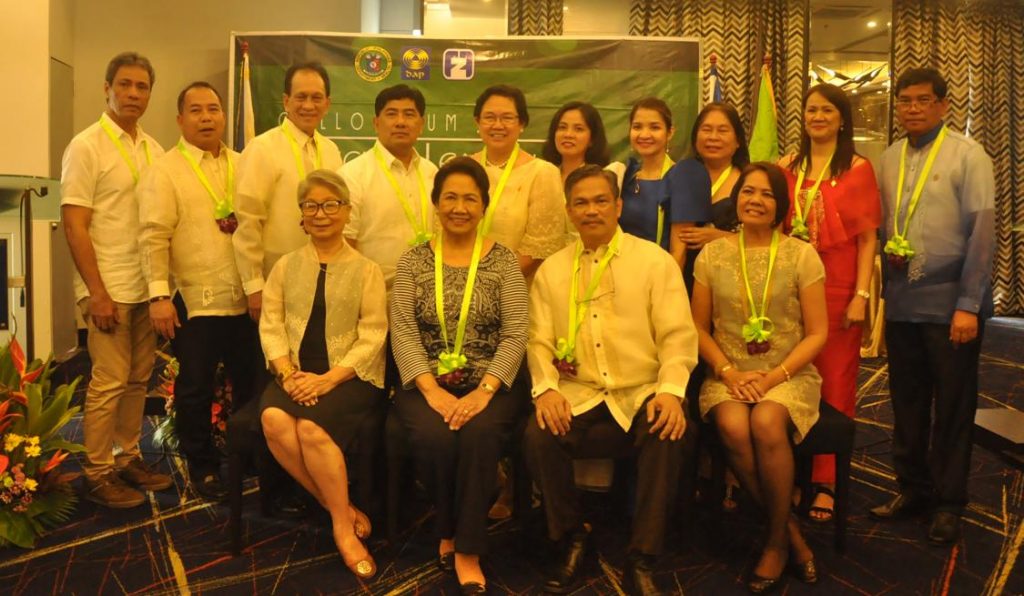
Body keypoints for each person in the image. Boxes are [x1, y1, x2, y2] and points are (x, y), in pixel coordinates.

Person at [525, 165, 697, 595]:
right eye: (580, 203)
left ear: (618, 206)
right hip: (579, 390)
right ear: (568, 211)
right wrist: (546, 388)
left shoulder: (653, 262)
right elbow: (538, 340)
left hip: (641, 389)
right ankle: (571, 536)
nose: (591, 210)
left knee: (669, 430)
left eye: (601, 200)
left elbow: (678, 337)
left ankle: (642, 554)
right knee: (537, 433)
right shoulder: (553, 270)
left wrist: (672, 393)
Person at [390, 157, 529, 594]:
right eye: (450, 196)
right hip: (426, 380)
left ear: (484, 206)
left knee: (478, 434)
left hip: (491, 381)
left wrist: (484, 392)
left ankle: (467, 546)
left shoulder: (504, 261)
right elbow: (404, 330)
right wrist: (431, 391)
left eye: (470, 198)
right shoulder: (413, 261)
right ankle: (448, 524)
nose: (459, 206)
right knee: (433, 436)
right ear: (436, 204)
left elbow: (516, 331)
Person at [869, 68, 995, 545]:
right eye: (905, 101)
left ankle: (949, 502)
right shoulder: (889, 158)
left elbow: (983, 237)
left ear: (943, 104)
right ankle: (913, 490)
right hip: (902, 303)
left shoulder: (970, 156)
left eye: (923, 100)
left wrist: (968, 305)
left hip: (951, 309)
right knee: (907, 404)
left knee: (954, 407)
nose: (913, 108)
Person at [692, 163, 828, 592]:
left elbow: (818, 332)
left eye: (766, 194)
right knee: (733, 422)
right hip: (728, 373)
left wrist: (773, 377)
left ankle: (774, 542)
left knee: (766, 420)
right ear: (737, 200)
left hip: (788, 373)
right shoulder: (712, 255)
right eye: (748, 191)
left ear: (779, 206)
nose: (755, 200)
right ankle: (791, 535)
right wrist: (729, 371)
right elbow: (696, 328)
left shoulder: (801, 254)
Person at [258, 169, 387, 580]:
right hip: (293, 373)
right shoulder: (285, 266)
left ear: (347, 211)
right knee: (274, 418)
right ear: (301, 216)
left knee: (311, 430)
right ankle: (343, 510)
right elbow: (271, 324)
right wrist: (286, 372)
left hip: (351, 378)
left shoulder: (367, 269)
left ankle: (339, 531)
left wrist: (328, 379)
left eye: (331, 204)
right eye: (311, 205)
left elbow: (373, 334)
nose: (321, 213)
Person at [138, 82, 262, 501]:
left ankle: (248, 459)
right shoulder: (165, 170)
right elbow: (153, 236)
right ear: (180, 119)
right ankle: (202, 466)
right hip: (195, 299)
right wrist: (158, 296)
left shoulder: (246, 165)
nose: (207, 117)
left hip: (247, 296)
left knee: (251, 383)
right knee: (194, 388)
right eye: (196, 110)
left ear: (225, 116)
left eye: (214, 109)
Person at [61, 51, 173, 508]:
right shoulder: (86, 146)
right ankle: (97, 470)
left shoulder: (154, 148)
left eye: (141, 86)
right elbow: (75, 224)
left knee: (137, 379)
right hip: (107, 289)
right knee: (107, 381)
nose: (132, 93)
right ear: (105, 88)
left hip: (146, 286)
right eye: (124, 84)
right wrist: (95, 293)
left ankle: (127, 457)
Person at [779, 83, 881, 522]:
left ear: (842, 118)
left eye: (826, 110)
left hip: (839, 288)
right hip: (790, 287)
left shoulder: (858, 168)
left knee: (835, 383)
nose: (817, 117)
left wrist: (861, 295)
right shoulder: (788, 165)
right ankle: (794, 472)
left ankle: (825, 481)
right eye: (811, 110)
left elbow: (867, 239)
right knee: (791, 379)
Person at [233, 61, 343, 323]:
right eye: (300, 97)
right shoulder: (262, 148)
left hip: (324, 284)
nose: (308, 105)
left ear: (327, 103)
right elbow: (248, 222)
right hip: (275, 285)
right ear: (286, 101)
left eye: (316, 98)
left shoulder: (331, 151)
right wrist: (254, 286)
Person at [340, 84, 438, 291]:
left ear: (421, 124)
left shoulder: (433, 173)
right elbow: (344, 245)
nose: (400, 122)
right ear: (376, 123)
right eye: (391, 114)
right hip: (373, 295)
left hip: (429, 295)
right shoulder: (353, 175)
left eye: (409, 114)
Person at [471, 85, 568, 279]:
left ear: (522, 123)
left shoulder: (542, 173)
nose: (498, 125)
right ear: (478, 122)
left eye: (507, 118)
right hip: (458, 288)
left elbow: (539, 249)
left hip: (515, 289)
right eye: (489, 117)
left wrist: (488, 283)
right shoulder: (460, 168)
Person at [607, 98, 697, 264]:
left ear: (670, 132)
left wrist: (663, 287)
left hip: (660, 275)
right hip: (620, 270)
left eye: (654, 127)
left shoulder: (681, 178)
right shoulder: (624, 174)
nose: (644, 134)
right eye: (637, 127)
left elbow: (679, 251)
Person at [670, 102, 750, 289]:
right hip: (684, 279)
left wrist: (720, 237)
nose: (713, 137)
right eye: (706, 129)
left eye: (722, 130)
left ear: (738, 140)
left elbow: (769, 238)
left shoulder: (750, 181)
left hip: (733, 283)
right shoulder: (680, 175)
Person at [540, 101, 611, 184]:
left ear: (592, 139)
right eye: (562, 127)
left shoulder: (601, 181)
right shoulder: (543, 176)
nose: (568, 134)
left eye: (578, 129)